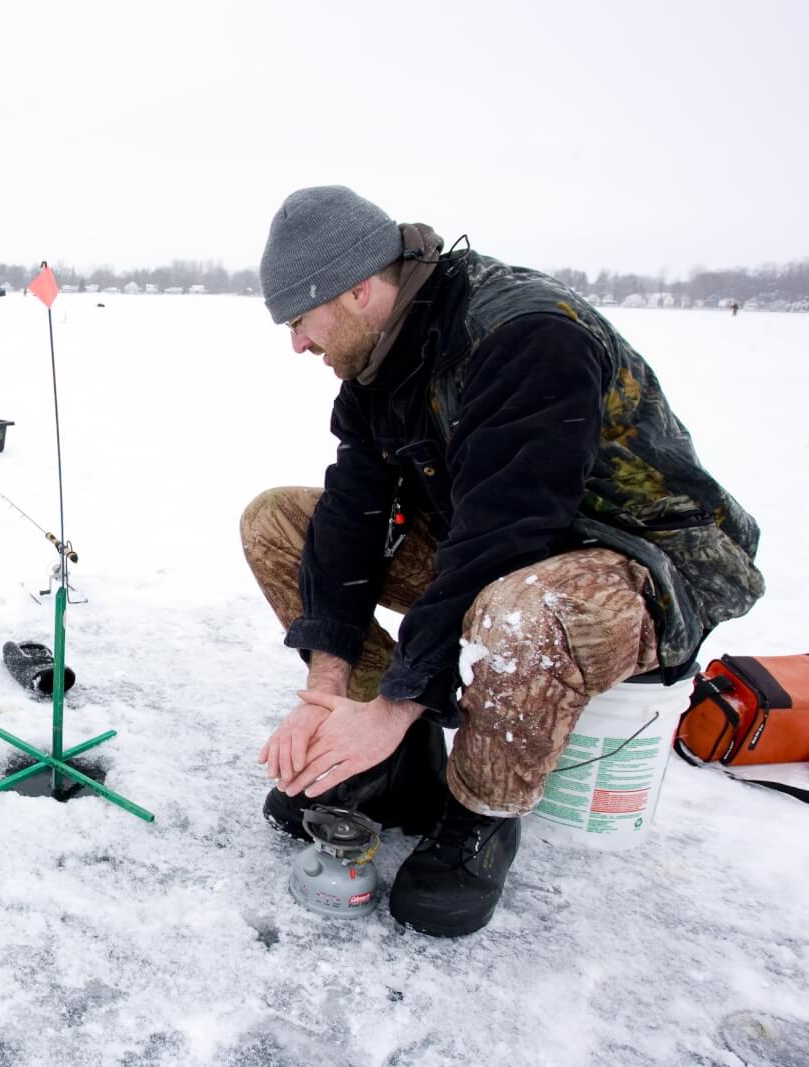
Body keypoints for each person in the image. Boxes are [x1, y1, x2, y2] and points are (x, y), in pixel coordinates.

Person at [241, 186, 764, 937]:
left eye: (299, 320)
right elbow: (351, 516)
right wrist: (328, 684)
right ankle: (392, 761)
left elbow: (503, 541)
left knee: (517, 609)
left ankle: (479, 813)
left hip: (647, 561)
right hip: (508, 542)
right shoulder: (375, 361)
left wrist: (399, 697)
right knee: (278, 521)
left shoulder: (523, 334)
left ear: (358, 289)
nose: (296, 343)